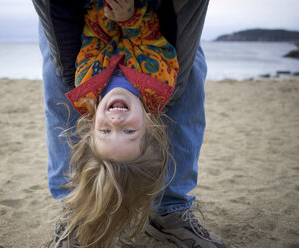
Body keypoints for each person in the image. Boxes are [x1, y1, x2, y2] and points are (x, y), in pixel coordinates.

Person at [32, 0, 227, 247]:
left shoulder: (86, 92)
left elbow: (92, 44)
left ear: (91, 126)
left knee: (61, 85)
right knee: (186, 77)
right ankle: (78, 212)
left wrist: (100, 13)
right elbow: (152, 42)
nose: (115, 120)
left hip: (97, 16)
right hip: (140, 19)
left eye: (105, 130)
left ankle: (167, 208)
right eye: (128, 131)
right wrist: (127, 18)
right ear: (151, 126)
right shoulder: (157, 84)